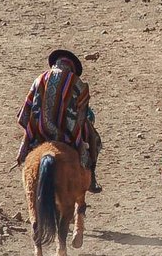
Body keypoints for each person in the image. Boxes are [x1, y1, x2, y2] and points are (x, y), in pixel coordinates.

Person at [18, 47, 102, 193]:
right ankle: (92, 177)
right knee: (94, 138)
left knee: (29, 139)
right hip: (66, 134)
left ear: (55, 64)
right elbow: (81, 116)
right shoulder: (77, 82)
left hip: (40, 132)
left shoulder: (39, 79)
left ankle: (22, 153)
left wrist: (34, 127)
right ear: (71, 67)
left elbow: (27, 111)